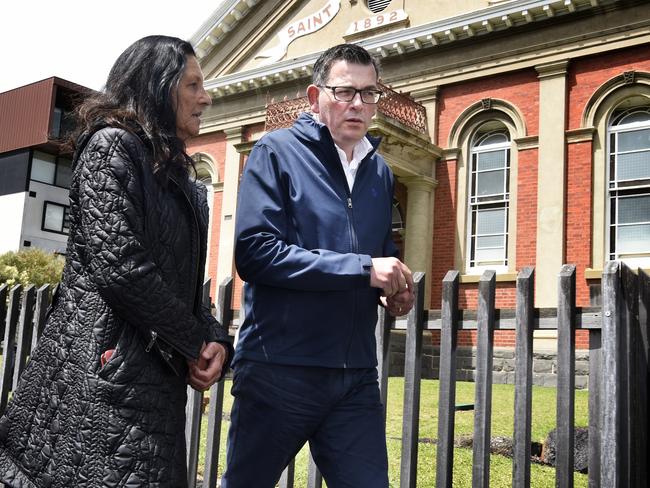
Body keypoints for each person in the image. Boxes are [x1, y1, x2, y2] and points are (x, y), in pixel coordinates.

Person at [0, 35, 233, 488]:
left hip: (152, 377)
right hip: (100, 372)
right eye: (192, 85)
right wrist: (192, 343)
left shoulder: (181, 176)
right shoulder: (112, 148)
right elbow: (120, 266)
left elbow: (186, 283)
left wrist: (214, 338)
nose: (205, 97)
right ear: (157, 86)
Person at [223, 43, 415, 488]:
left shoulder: (380, 171)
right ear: (315, 97)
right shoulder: (275, 152)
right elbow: (255, 252)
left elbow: (379, 248)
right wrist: (363, 269)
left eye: (369, 94)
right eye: (345, 91)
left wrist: (393, 292)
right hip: (278, 370)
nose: (359, 105)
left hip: (353, 376)